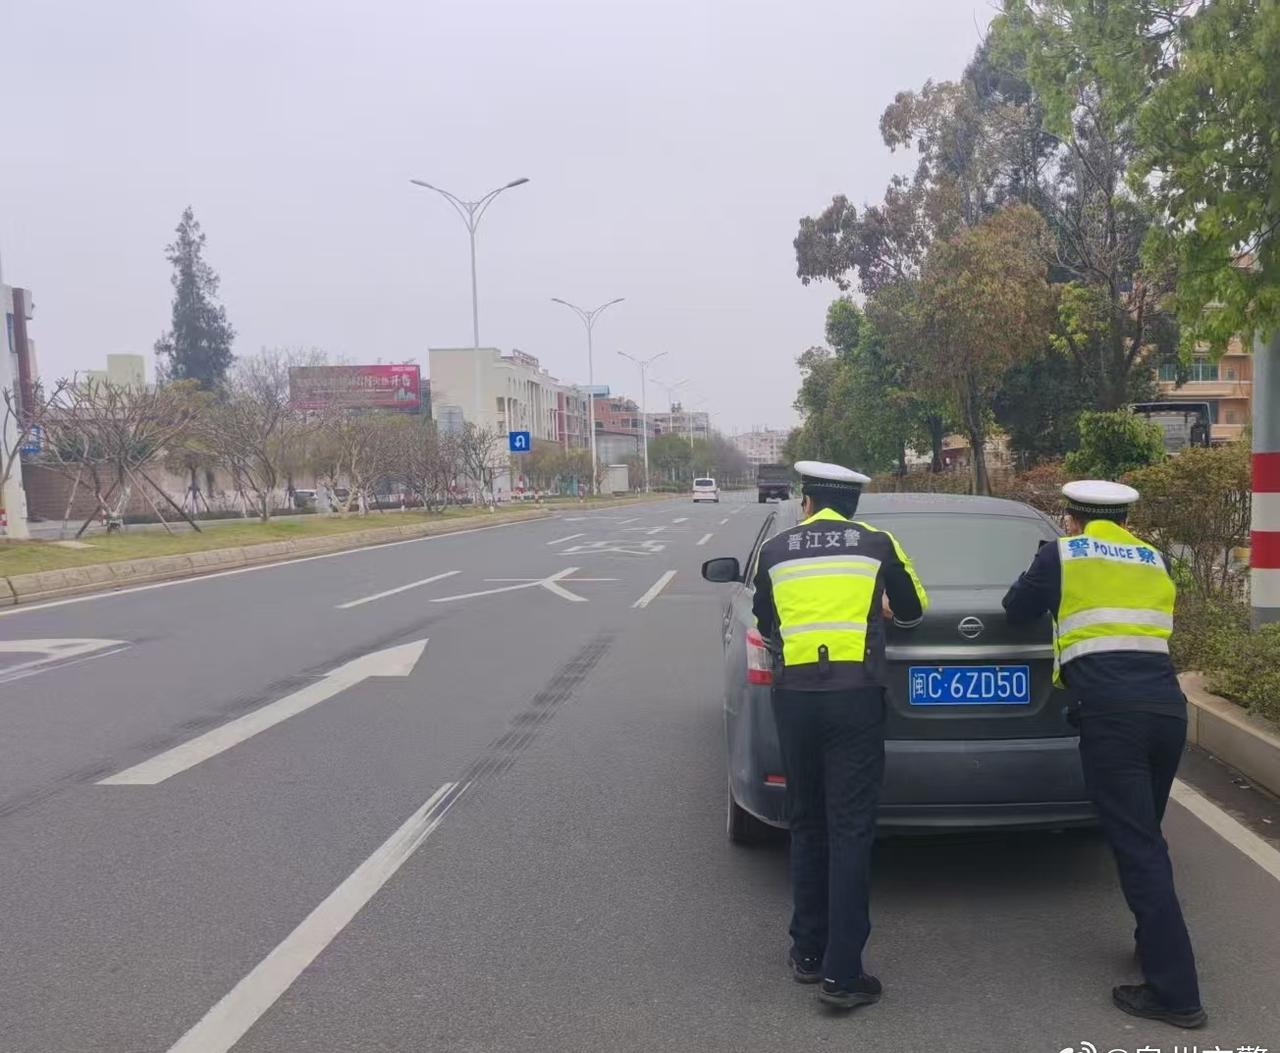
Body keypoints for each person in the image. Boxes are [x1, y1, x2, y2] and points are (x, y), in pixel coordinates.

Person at [1002, 480, 1206, 1030]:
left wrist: (1041, 574)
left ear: (1071, 518)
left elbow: (1016, 609)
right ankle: (1153, 946)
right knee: (1147, 838)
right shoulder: (1153, 558)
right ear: (1124, 518)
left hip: (1112, 717)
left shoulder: (1061, 555)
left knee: (1138, 848)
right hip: (1166, 710)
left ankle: (1176, 992)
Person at [751, 461, 928, 1011]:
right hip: (856, 697)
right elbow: (914, 611)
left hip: (796, 697)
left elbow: (766, 620)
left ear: (807, 501)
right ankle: (843, 975)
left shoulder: (777, 549)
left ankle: (807, 950)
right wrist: (879, 607)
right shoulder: (877, 544)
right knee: (850, 828)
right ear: (853, 505)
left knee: (806, 821)